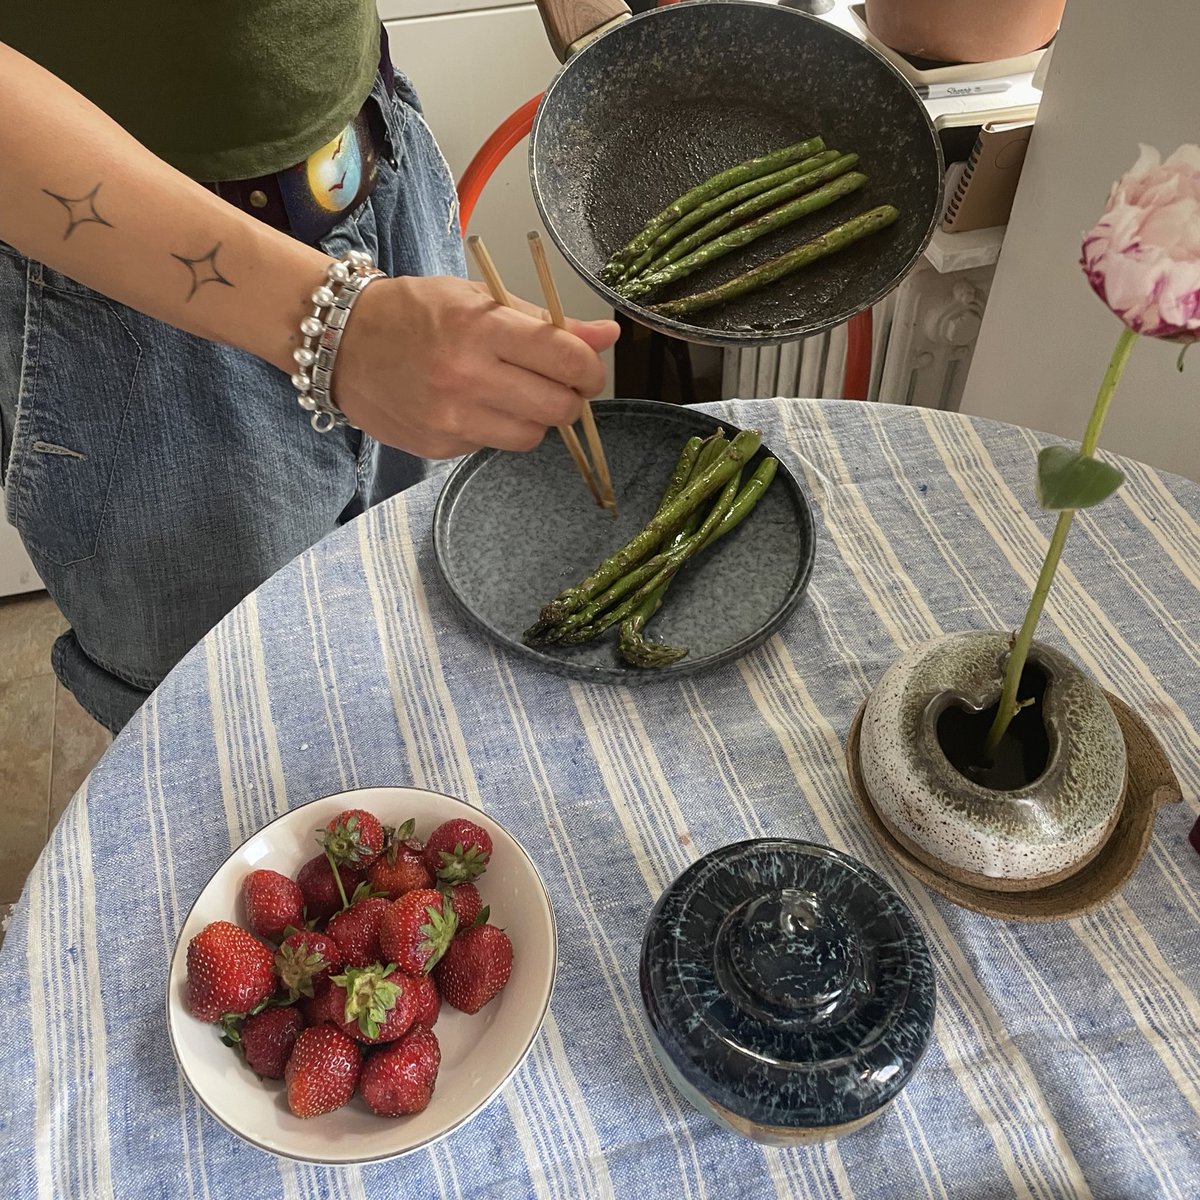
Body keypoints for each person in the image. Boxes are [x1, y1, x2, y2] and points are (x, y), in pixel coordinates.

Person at [0, 5, 620, 734]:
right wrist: (333, 324)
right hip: (125, 285)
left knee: (428, 621)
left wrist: (603, 29)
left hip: (377, 161)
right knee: (236, 728)